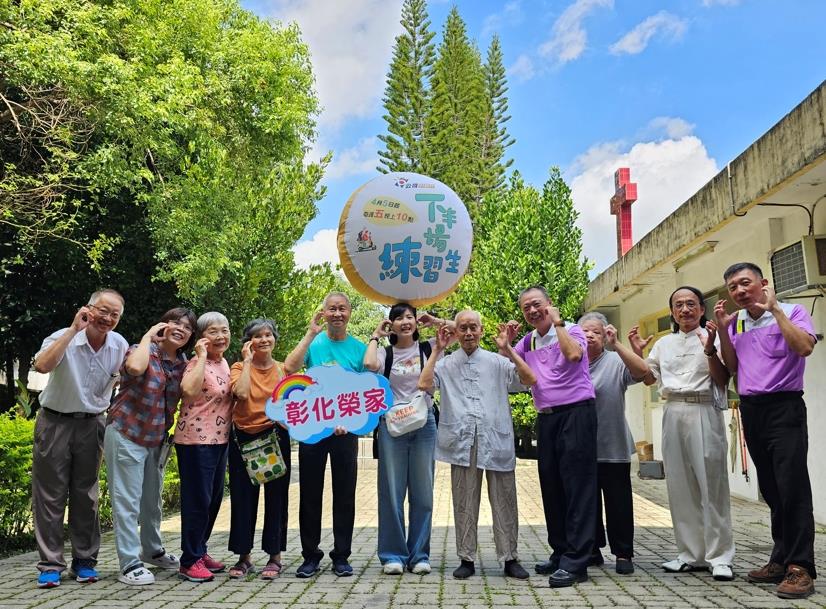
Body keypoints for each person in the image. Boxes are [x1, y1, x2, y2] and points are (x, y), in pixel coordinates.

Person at [716, 262, 817, 599]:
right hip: (752, 409)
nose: (739, 291)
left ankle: (801, 568)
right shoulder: (738, 321)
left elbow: (804, 347)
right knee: (772, 489)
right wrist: (720, 329)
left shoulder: (792, 310)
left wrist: (775, 310)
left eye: (745, 283)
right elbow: (731, 366)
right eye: (733, 288)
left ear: (763, 283)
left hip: (784, 408)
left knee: (793, 488)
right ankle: (780, 559)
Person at [418, 310, 535, 580]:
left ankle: (510, 558)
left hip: (496, 439)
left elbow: (529, 380)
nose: (468, 333)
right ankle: (466, 558)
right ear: (455, 332)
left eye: (473, 328)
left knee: (505, 499)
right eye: (463, 328)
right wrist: (436, 350)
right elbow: (424, 384)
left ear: (481, 331)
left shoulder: (497, 361)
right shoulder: (445, 364)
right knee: (464, 500)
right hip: (462, 441)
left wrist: (508, 350)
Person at [629, 286, 735, 581]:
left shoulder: (710, 336)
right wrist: (638, 354)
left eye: (691, 304)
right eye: (678, 305)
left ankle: (720, 556)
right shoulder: (663, 345)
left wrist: (710, 346)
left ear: (702, 309)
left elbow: (724, 378)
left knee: (712, 485)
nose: (685, 309)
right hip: (673, 410)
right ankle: (690, 553)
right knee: (680, 485)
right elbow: (648, 378)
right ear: (672, 311)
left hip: (704, 410)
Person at [31, 289, 129, 589]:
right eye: (103, 310)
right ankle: (50, 564)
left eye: (115, 314)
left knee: (87, 496)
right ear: (88, 309)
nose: (108, 318)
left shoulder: (119, 345)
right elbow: (42, 365)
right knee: (49, 496)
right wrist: (75, 328)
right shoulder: (64, 335)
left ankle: (85, 562)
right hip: (54, 421)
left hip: (92, 424)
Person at [510, 286, 597, 588]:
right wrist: (507, 345)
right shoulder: (528, 340)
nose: (532, 311)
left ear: (549, 304)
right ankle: (560, 551)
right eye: (526, 308)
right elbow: (514, 368)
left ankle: (578, 561)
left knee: (578, 486)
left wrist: (558, 323)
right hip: (546, 417)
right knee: (552, 484)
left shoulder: (571, 329)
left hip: (576, 413)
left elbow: (573, 355)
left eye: (537, 305)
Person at [104, 307, 197, 586]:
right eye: (175, 322)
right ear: (162, 324)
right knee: (127, 501)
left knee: (151, 500)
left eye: (187, 327)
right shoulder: (141, 349)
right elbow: (134, 368)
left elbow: (190, 392)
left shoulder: (182, 363)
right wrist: (148, 336)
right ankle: (129, 564)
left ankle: (152, 551)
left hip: (156, 438)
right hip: (127, 432)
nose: (180, 328)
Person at [284, 292, 365, 578]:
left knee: (345, 494)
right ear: (324, 312)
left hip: (346, 430)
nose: (337, 314)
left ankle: (341, 556)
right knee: (310, 493)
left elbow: (366, 391)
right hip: (313, 428)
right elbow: (289, 368)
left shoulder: (358, 347)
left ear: (350, 313)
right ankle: (310, 556)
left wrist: (351, 419)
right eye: (332, 309)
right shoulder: (315, 343)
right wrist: (309, 333)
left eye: (342, 309)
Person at [363, 304, 446, 575]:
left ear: (416, 322)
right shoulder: (386, 354)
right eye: (398, 318)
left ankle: (420, 554)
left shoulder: (427, 348)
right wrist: (376, 334)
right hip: (392, 427)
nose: (405, 322)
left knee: (423, 492)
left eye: (409, 317)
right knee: (391, 491)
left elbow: (460, 329)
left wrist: (435, 319)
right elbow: (368, 364)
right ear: (392, 325)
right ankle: (393, 555)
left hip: (424, 425)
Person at [578, 312, 648, 575]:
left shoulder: (616, 361)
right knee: (587, 502)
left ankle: (623, 553)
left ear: (605, 334)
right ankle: (592, 550)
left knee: (618, 502)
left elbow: (644, 373)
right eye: (584, 331)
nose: (589, 336)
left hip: (614, 444)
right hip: (582, 447)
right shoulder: (572, 361)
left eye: (596, 332)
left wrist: (617, 344)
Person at [228, 318, 292, 580]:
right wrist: (246, 363)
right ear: (248, 342)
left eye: (268, 335)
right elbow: (241, 394)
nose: (264, 339)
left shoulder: (283, 369)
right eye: (257, 336)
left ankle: (275, 556)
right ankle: (244, 558)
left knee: (276, 498)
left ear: (275, 339)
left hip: (275, 436)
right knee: (243, 499)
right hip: (244, 437)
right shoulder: (237, 367)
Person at [177, 312, 233, 582]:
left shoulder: (224, 364)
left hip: (220, 440)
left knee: (212, 499)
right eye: (213, 331)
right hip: (195, 441)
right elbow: (187, 391)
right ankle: (189, 560)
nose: (221, 336)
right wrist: (199, 357)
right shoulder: (195, 364)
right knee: (197, 501)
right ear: (202, 338)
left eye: (224, 330)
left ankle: (200, 550)